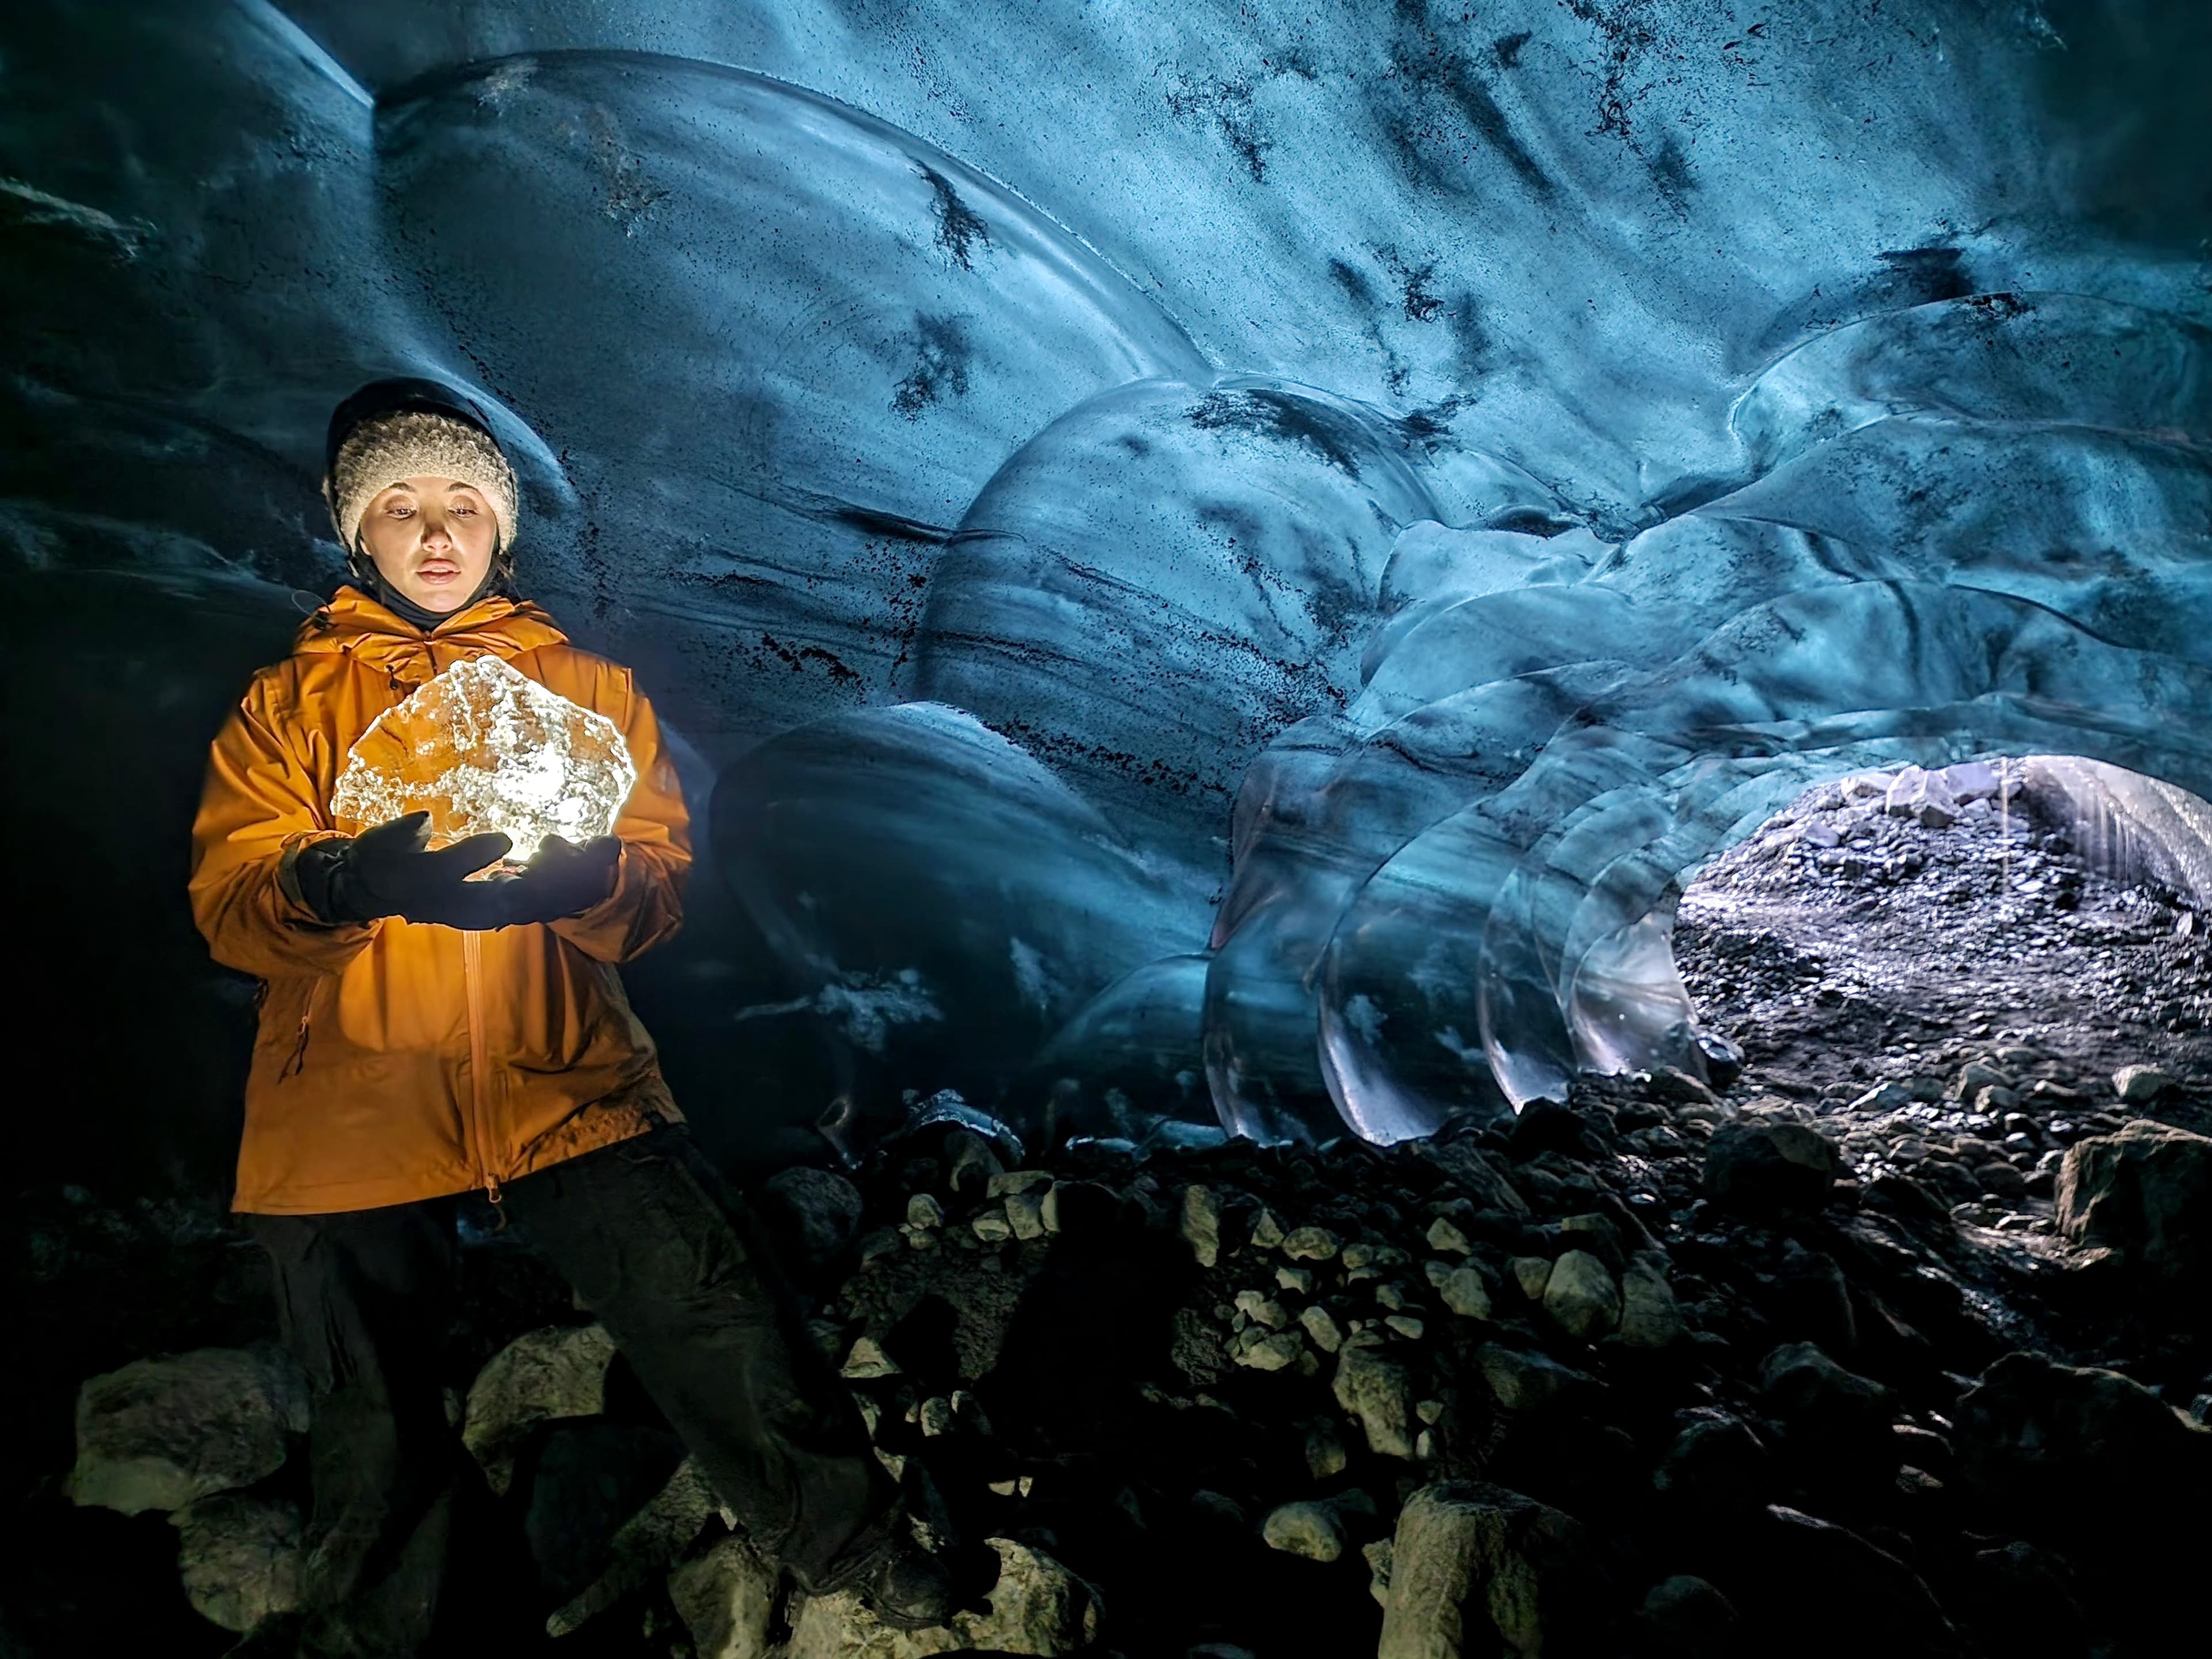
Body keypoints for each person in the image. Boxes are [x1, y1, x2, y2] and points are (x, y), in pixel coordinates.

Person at [188, 378, 950, 1655]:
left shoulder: (590, 691)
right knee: (370, 1420)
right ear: (353, 530)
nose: (437, 533)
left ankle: (852, 1549)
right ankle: (410, 1635)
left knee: (716, 1314)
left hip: (568, 1078)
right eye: (401, 506)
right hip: (348, 1103)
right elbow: (232, 904)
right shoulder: (286, 708)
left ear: (503, 527)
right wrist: (350, 878)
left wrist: (591, 879)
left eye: (464, 505)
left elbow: (655, 892)